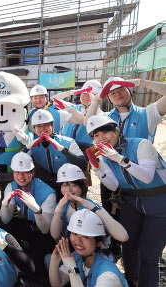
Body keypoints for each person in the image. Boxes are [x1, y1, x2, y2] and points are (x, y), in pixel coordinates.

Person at [86, 115, 166, 287]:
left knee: (149, 255)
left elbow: (147, 177)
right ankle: (131, 280)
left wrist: (120, 159)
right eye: (96, 135)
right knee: (127, 244)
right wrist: (97, 168)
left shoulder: (141, 144)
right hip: (132, 202)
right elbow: (114, 185)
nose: (101, 138)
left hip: (160, 202)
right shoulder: (104, 155)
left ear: (117, 130)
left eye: (105, 132)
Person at [50, 163, 128, 264]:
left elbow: (123, 237)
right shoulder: (63, 206)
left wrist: (95, 209)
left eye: (73, 185)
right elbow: (55, 235)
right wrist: (58, 210)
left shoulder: (93, 207)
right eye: (64, 185)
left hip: (97, 254)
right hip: (76, 250)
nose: (68, 190)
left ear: (82, 187)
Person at [1, 152, 56, 281]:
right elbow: (6, 220)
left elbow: (45, 230)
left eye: (25, 172)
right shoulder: (11, 186)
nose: (21, 177)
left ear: (33, 172)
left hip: (40, 232)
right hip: (24, 225)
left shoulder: (48, 193)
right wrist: (5, 204)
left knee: (34, 267)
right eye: (17, 172)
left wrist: (36, 209)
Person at [49, 209, 129, 287]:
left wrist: (72, 269)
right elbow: (58, 283)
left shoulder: (108, 276)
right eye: (75, 234)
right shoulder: (77, 257)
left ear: (99, 243)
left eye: (85, 237)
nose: (78, 241)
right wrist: (54, 261)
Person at [85, 77, 166, 142]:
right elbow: (87, 123)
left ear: (129, 91)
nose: (117, 94)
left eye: (121, 90)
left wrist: (141, 82)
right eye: (112, 93)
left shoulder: (148, 114)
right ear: (109, 99)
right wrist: (96, 100)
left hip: (143, 161)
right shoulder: (105, 118)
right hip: (111, 162)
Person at [27, 109, 87, 190]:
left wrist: (63, 150)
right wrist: (27, 148)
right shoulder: (33, 145)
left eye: (46, 125)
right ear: (34, 129)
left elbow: (83, 165)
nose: (43, 128)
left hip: (69, 181)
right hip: (47, 183)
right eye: (39, 126)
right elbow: (19, 160)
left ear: (53, 126)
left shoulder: (68, 142)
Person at [53, 80, 103, 151]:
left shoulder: (99, 113)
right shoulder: (71, 107)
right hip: (66, 145)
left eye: (91, 94)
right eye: (84, 93)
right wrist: (71, 92)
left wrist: (94, 103)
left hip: (85, 149)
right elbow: (53, 100)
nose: (86, 96)